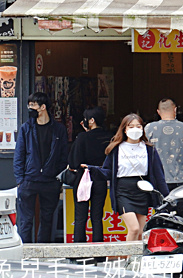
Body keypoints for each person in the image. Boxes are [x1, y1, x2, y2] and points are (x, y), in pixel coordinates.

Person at [90, 113, 169, 242]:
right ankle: (129, 260)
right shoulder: (116, 149)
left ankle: (135, 259)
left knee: (141, 232)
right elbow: (107, 171)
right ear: (124, 129)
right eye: (131, 126)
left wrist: (166, 197)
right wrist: (91, 170)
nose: (135, 129)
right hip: (123, 191)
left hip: (142, 190)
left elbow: (159, 175)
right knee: (134, 228)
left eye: (138, 126)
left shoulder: (149, 150)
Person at [13, 92, 69, 243]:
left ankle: (42, 253)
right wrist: (20, 180)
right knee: (25, 220)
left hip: (50, 181)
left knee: (47, 219)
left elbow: (64, 156)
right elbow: (19, 156)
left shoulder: (59, 129)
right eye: (29, 104)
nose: (30, 108)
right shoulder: (26, 128)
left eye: (33, 105)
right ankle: (25, 252)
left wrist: (58, 178)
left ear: (43, 107)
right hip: (29, 180)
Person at [69, 107, 112, 242]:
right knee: (97, 217)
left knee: (80, 217)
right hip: (100, 179)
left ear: (91, 120)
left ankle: (78, 253)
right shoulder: (109, 137)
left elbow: (73, 162)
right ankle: (99, 253)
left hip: (83, 179)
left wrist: (84, 135)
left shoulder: (82, 138)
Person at [145, 98, 183, 188]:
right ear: (175, 109)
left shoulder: (149, 128)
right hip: (180, 179)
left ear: (158, 111)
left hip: (157, 179)